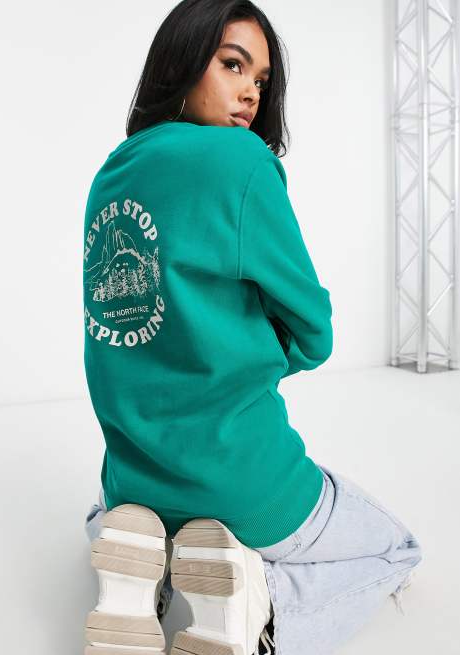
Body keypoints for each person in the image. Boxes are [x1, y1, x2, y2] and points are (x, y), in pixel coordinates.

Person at [82, 2, 423, 654]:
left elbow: (118, 335)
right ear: (182, 61)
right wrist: (251, 350)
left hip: (132, 479)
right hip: (239, 480)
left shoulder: (113, 171)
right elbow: (314, 330)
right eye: (233, 65)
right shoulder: (239, 160)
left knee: (104, 511)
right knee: (396, 548)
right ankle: (262, 603)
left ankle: (143, 573)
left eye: (261, 80)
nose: (250, 93)